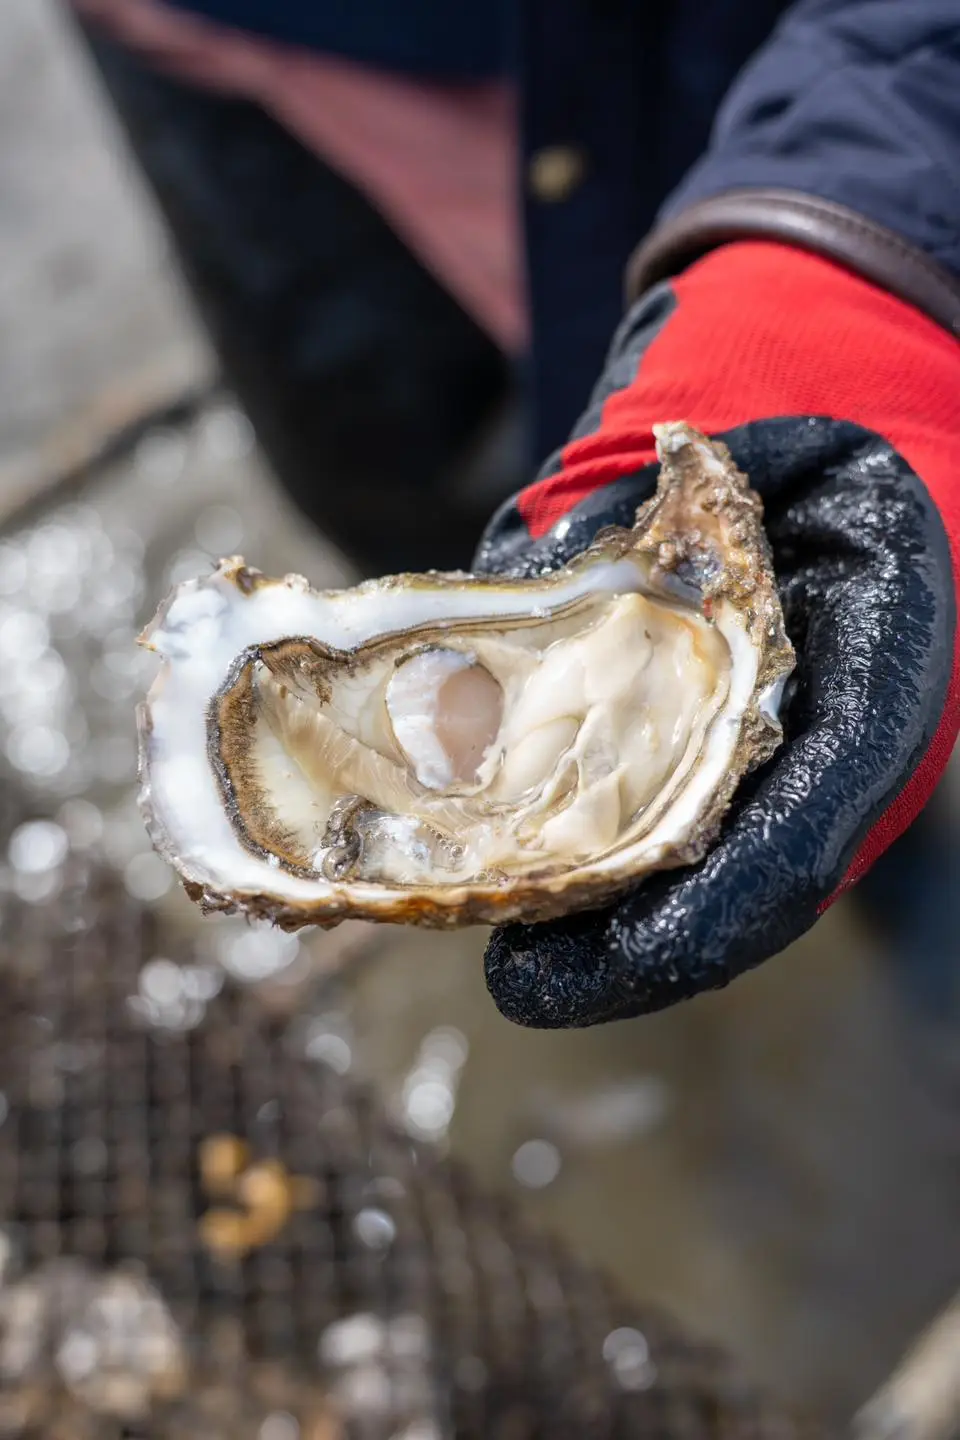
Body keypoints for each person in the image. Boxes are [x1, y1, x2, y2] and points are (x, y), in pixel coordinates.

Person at [70, 0, 960, 1027]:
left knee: (836, 680)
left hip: (662, 51)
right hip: (201, 36)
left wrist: (852, 252)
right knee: (393, 472)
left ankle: (895, 889)